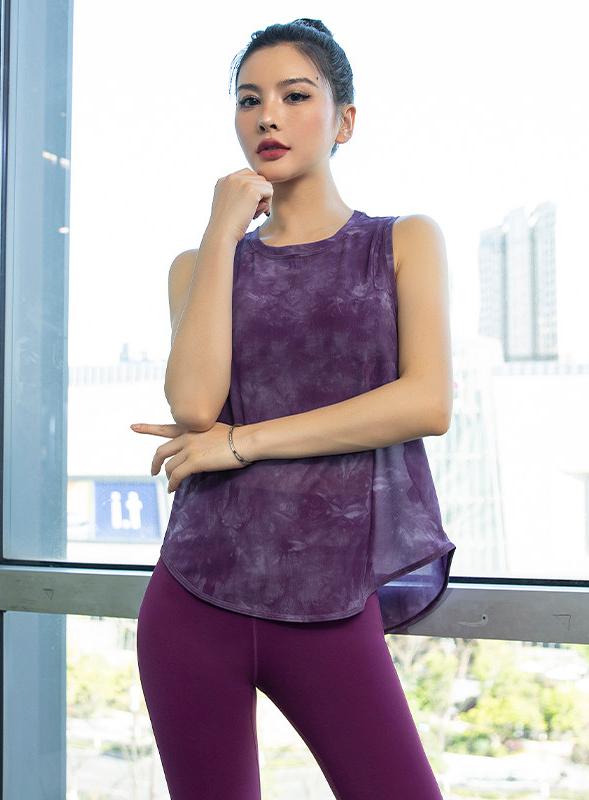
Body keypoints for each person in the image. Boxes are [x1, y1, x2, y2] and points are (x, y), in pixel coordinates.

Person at [131, 19, 454, 799]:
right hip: (192, 599)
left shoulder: (402, 241)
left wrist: (240, 443)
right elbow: (195, 406)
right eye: (249, 100)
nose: (267, 115)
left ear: (345, 121)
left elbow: (426, 402)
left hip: (329, 601)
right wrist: (221, 228)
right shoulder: (198, 264)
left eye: (295, 95)